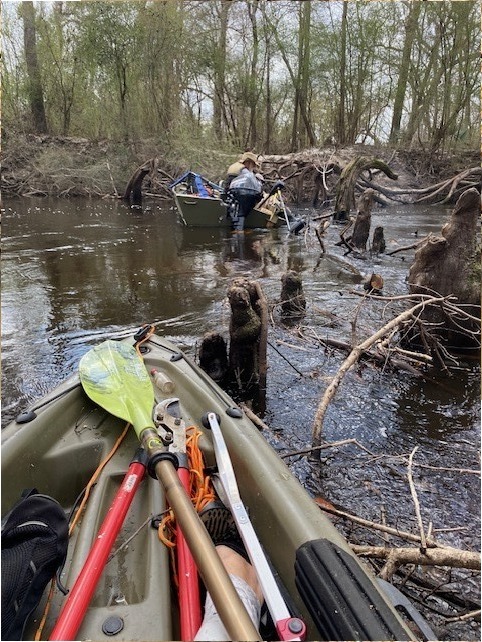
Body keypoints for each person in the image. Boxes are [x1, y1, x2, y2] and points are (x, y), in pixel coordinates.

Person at [226, 152, 263, 231]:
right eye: (253, 165)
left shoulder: (234, 167)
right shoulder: (245, 171)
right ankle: (239, 230)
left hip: (229, 194)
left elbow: (228, 185)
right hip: (239, 196)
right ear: (249, 163)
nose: (253, 167)